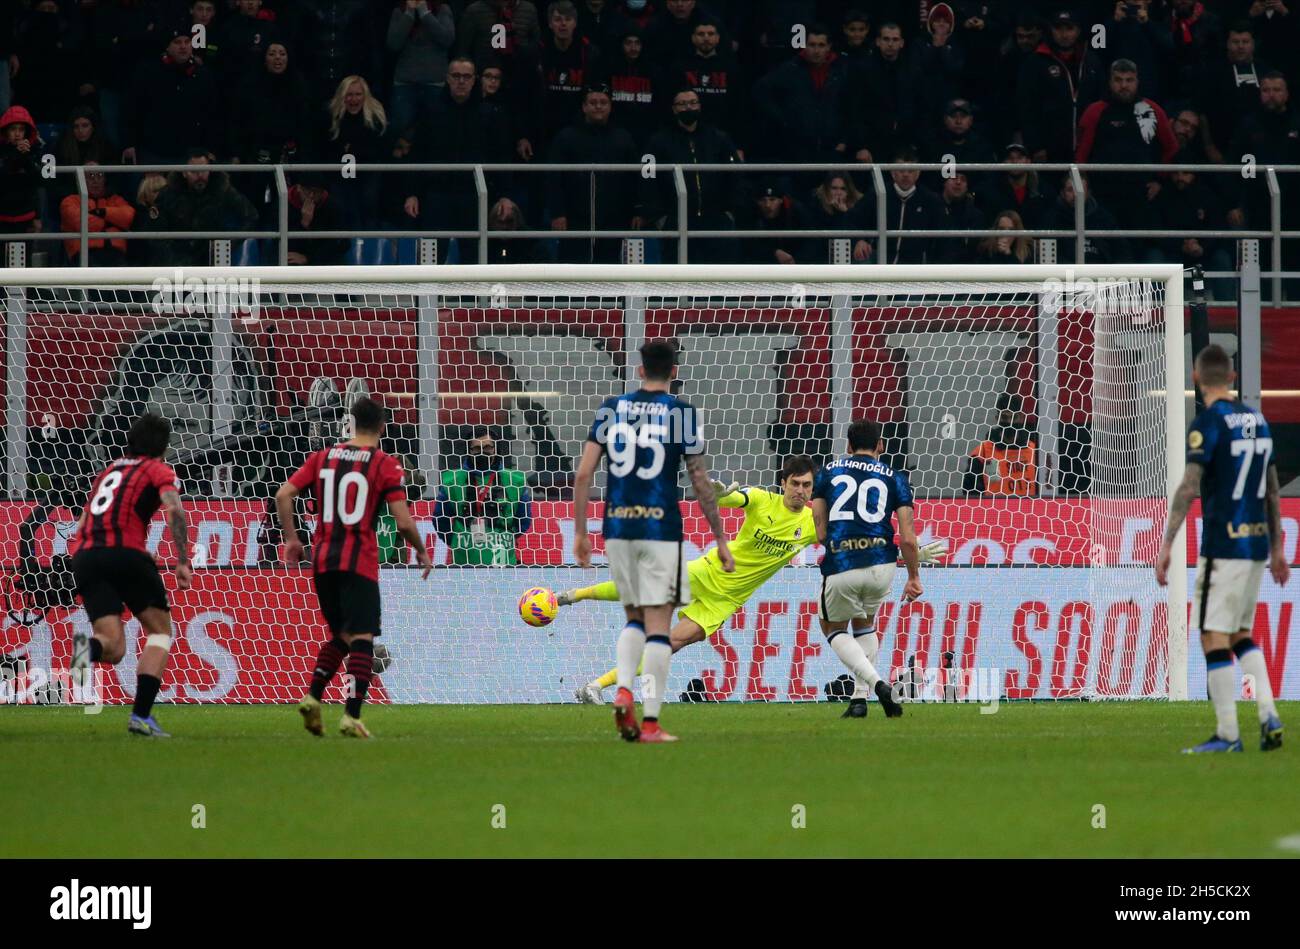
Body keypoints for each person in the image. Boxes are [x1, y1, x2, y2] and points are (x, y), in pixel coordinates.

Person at [566, 457, 947, 704]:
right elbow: (731, 498)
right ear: (783, 483)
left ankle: (595, 687)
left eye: (807, 486)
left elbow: (856, 546)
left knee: (668, 643)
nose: (801, 491)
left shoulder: (814, 525)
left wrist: (904, 552)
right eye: (795, 484)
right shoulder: (761, 500)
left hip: (725, 600)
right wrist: (717, 493)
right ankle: (573, 595)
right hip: (707, 571)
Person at [572, 339, 733, 742]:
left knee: (633, 618)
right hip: (662, 528)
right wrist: (720, 538)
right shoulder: (681, 413)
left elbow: (583, 474)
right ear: (673, 372)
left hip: (618, 526)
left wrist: (579, 532)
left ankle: (622, 687)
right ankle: (650, 722)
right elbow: (699, 480)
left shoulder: (611, 409)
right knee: (659, 627)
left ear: (640, 370)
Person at [1156, 345, 1288, 754]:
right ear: (1231, 378)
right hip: (1254, 547)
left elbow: (1190, 485)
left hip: (1222, 544)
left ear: (1196, 378)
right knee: (1240, 634)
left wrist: (1167, 542)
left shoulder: (1208, 424)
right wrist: (1278, 548)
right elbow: (1271, 490)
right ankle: (1268, 713)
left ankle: (1228, 734)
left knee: (1212, 635)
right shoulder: (1260, 422)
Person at [277, 397, 432, 739]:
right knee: (362, 637)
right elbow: (403, 521)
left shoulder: (322, 458)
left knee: (342, 638)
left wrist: (291, 538)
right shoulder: (384, 464)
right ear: (382, 427)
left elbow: (283, 494)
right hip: (358, 560)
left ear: (351, 422)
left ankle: (312, 696)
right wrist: (421, 550)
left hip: (322, 560)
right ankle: (351, 716)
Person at [68, 413, 191, 738]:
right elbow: (174, 509)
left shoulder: (110, 470)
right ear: (164, 446)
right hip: (123, 554)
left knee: (114, 647)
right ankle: (141, 717)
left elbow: (83, 524)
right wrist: (181, 559)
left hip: (85, 556)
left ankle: (86, 649)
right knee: (161, 632)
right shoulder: (158, 469)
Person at [811, 418, 916, 720]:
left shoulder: (829, 472)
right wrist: (914, 577)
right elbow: (908, 538)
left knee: (832, 628)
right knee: (864, 624)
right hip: (882, 564)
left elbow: (820, 532)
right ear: (880, 445)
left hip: (843, 561)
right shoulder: (895, 477)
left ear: (848, 446)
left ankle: (877, 684)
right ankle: (859, 699)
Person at [640, 87, 742, 264]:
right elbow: (647, 178)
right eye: (683, 104)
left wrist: (729, 212)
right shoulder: (658, 141)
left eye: (693, 103)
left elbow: (735, 174)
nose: (688, 108)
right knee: (677, 275)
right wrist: (659, 218)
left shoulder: (719, 138)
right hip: (675, 221)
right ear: (674, 109)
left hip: (715, 221)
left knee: (714, 277)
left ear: (700, 106)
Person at [1074, 59, 1178, 228]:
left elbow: (1172, 148)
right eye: (1118, 80)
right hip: (1103, 194)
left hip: (1141, 195)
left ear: (1137, 81)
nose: (1124, 85)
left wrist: (1160, 181)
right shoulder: (1095, 111)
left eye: (1129, 80)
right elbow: (1081, 155)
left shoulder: (1152, 110)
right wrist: (1085, 186)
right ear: (1110, 82)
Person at [546, 85, 641, 263]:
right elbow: (553, 178)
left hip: (614, 218)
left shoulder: (624, 138)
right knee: (572, 270)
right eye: (593, 102)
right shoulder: (566, 137)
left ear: (611, 106)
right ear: (584, 107)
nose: (598, 106)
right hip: (574, 219)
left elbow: (637, 176)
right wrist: (557, 212)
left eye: (603, 102)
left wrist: (638, 210)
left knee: (609, 272)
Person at [751, 23, 855, 166]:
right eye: (812, 45)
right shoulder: (789, 70)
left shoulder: (842, 71)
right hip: (797, 148)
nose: (816, 50)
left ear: (829, 46)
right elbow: (760, 91)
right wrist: (784, 120)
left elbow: (851, 107)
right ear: (804, 45)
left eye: (821, 45)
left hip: (832, 148)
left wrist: (844, 140)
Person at [122, 23, 223, 165]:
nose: (183, 46)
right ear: (167, 47)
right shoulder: (148, 72)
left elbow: (212, 113)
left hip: (192, 152)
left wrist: (212, 147)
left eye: (187, 42)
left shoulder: (203, 75)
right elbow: (132, 109)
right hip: (154, 150)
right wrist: (129, 142)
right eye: (177, 42)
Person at [432, 427, 533, 565]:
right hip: (464, 563)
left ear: (495, 449)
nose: (482, 452)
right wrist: (457, 541)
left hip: (503, 562)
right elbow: (440, 520)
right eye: (476, 448)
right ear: (469, 450)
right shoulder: (452, 481)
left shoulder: (515, 480)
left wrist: (504, 536)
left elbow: (524, 520)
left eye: (487, 447)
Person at [1017, 8, 1104, 162]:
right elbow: (1027, 107)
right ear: (1051, 30)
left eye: (1069, 28)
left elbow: (1101, 102)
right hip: (1049, 147)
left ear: (1078, 31)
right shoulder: (1035, 62)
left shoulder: (1091, 61)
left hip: (1087, 145)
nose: (1064, 34)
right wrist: (1036, 146)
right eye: (1058, 28)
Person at [151, 149, 259, 266]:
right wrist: (170, 257)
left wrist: (230, 243)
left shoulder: (222, 189)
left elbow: (251, 216)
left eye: (204, 170)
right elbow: (154, 231)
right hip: (178, 255)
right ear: (184, 173)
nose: (200, 175)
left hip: (212, 255)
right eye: (194, 171)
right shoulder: (169, 193)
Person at [320, 75, 391, 231]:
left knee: (369, 205)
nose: (354, 99)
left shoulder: (376, 117)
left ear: (365, 96)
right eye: (349, 95)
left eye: (358, 94)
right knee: (341, 209)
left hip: (368, 173)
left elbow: (380, 149)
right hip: (339, 174)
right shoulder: (330, 116)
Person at [387, 0, 457, 139]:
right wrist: (409, 13)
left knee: (436, 133)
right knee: (400, 132)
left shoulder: (442, 9)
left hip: (435, 82)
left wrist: (425, 13)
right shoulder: (399, 11)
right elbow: (393, 44)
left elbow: (447, 39)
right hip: (405, 83)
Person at [59, 163, 135, 266]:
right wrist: (112, 221)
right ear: (81, 180)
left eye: (99, 175)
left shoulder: (115, 199)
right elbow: (83, 223)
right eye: (90, 176)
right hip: (85, 254)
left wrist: (102, 212)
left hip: (115, 253)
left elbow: (128, 217)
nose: (95, 180)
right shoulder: (69, 201)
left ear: (104, 179)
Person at [962, 392, 1037, 496]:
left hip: (1031, 510)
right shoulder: (982, 453)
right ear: (997, 418)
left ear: (1021, 418)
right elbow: (970, 494)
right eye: (1005, 417)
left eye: (1014, 417)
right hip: (995, 510)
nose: (1009, 422)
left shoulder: (1036, 452)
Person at [978, 142, 1052, 229]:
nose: (1015, 161)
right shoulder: (991, 190)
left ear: (1028, 161)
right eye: (1010, 158)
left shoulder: (1043, 190)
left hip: (1033, 240)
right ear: (1004, 162)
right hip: (1001, 240)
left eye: (1020, 157)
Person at [738, 180, 811, 265]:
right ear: (757, 202)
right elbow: (748, 246)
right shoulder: (751, 214)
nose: (767, 205)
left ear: (781, 200)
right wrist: (773, 253)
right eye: (763, 200)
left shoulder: (796, 212)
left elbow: (810, 242)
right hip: (765, 266)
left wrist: (796, 260)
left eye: (772, 199)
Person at [806, 171, 872, 262]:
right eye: (834, 188)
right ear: (827, 190)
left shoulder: (858, 205)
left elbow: (860, 234)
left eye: (843, 189)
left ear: (848, 191)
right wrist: (838, 213)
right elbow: (825, 239)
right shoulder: (817, 203)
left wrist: (845, 213)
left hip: (852, 256)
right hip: (823, 257)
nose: (838, 192)